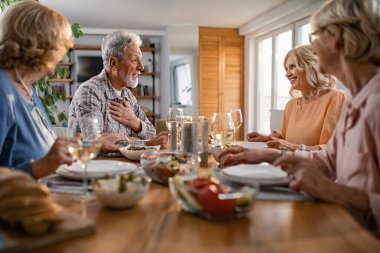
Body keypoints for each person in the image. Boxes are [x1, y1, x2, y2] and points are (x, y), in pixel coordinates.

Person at [220, 0, 380, 234]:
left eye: (314, 36)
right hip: (341, 226)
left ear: (335, 37)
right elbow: (327, 161)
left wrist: (333, 191)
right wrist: (268, 154)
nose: (312, 48)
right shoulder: (356, 99)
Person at [0, 0, 75, 179]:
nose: (63, 53)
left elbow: (45, 153)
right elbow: (41, 164)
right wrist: (40, 168)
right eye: (60, 46)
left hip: (41, 196)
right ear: (41, 45)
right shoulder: (3, 92)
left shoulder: (27, 87)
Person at [69, 30, 168, 148]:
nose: (141, 67)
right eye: (134, 60)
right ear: (114, 63)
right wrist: (146, 144)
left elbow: (152, 133)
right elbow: (96, 145)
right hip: (93, 165)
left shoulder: (128, 95)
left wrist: (134, 122)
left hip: (123, 165)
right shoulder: (90, 91)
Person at [247, 45, 347, 151]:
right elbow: (284, 136)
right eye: (286, 69)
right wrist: (265, 138)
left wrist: (296, 148)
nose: (287, 74)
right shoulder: (291, 105)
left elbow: (333, 149)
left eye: (292, 67)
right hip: (291, 165)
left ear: (310, 66)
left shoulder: (336, 98)